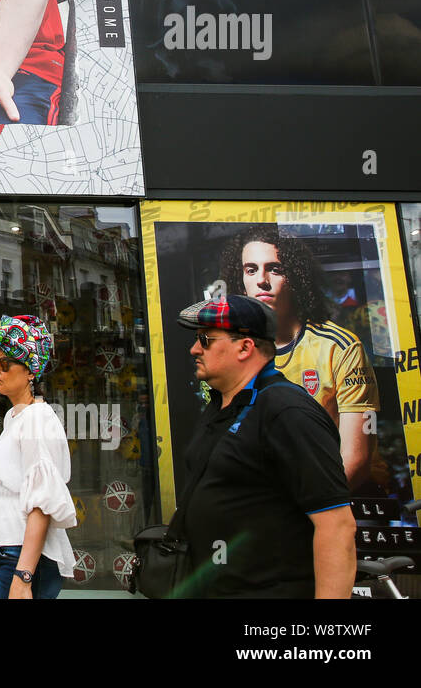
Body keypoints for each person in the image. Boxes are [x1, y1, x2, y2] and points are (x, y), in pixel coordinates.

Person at [173, 295, 355, 598]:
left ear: (245, 347)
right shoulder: (219, 406)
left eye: (205, 340)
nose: (194, 349)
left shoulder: (287, 410)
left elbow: (337, 527)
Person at [219, 224, 380, 489]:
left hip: (340, 500)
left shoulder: (339, 347)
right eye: (251, 270)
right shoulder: (232, 352)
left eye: (275, 268)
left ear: (296, 276)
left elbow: (355, 460)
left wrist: (291, 518)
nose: (261, 279)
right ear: (241, 280)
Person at [0, 315, 75, 599]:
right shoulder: (16, 416)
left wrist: (23, 576)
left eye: (5, 363)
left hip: (20, 558)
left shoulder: (37, 419)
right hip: (9, 552)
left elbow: (42, 502)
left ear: (30, 371)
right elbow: (18, 483)